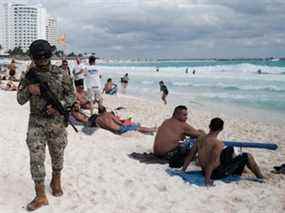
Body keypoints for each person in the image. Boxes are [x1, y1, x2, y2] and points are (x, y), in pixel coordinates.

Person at [17, 39, 76, 211]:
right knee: (36, 157)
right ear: (34, 58)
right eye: (38, 57)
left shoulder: (61, 73)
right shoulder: (29, 76)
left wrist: (60, 107)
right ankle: (40, 195)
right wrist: (29, 90)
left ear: (49, 56)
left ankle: (56, 179)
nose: (42, 60)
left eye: (45, 56)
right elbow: (20, 100)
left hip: (56, 122)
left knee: (57, 153)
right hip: (36, 122)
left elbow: (71, 96)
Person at [182, 117, 264, 186]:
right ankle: (261, 177)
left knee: (230, 149)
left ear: (209, 126)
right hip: (216, 173)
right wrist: (207, 180)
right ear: (221, 129)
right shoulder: (218, 144)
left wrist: (183, 171)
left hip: (204, 170)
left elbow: (190, 156)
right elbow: (211, 163)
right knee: (247, 156)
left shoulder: (199, 139)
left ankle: (241, 170)